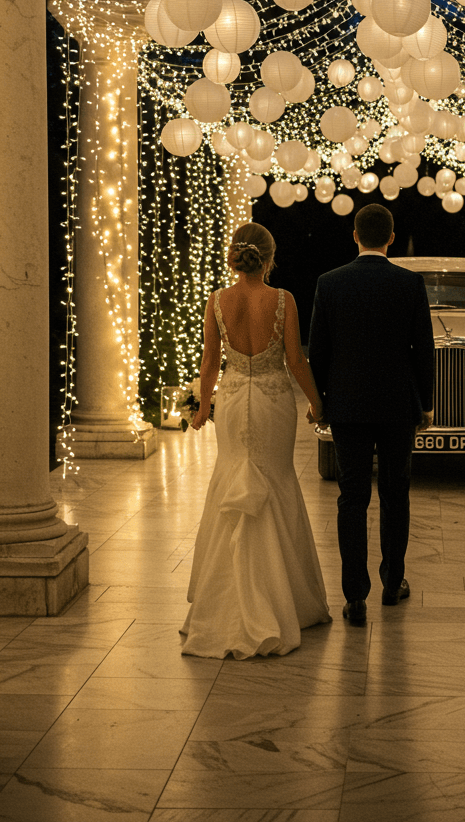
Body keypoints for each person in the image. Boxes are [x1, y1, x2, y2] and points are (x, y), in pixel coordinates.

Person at [180, 222, 331, 659]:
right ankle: (284, 601)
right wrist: (317, 403)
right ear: (269, 257)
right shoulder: (283, 300)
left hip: (231, 401)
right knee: (276, 484)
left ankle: (219, 604)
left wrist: (203, 406)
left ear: (236, 255)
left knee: (229, 481)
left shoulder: (217, 301)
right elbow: (296, 359)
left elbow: (210, 361)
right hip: (272, 402)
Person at [307, 203, 435, 624]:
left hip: (347, 406)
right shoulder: (410, 283)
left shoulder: (329, 283)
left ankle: (354, 595)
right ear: (391, 238)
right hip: (399, 405)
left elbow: (319, 351)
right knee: (396, 494)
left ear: (355, 236)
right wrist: (427, 404)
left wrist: (321, 403)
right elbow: (423, 349)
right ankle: (392, 582)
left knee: (352, 497)